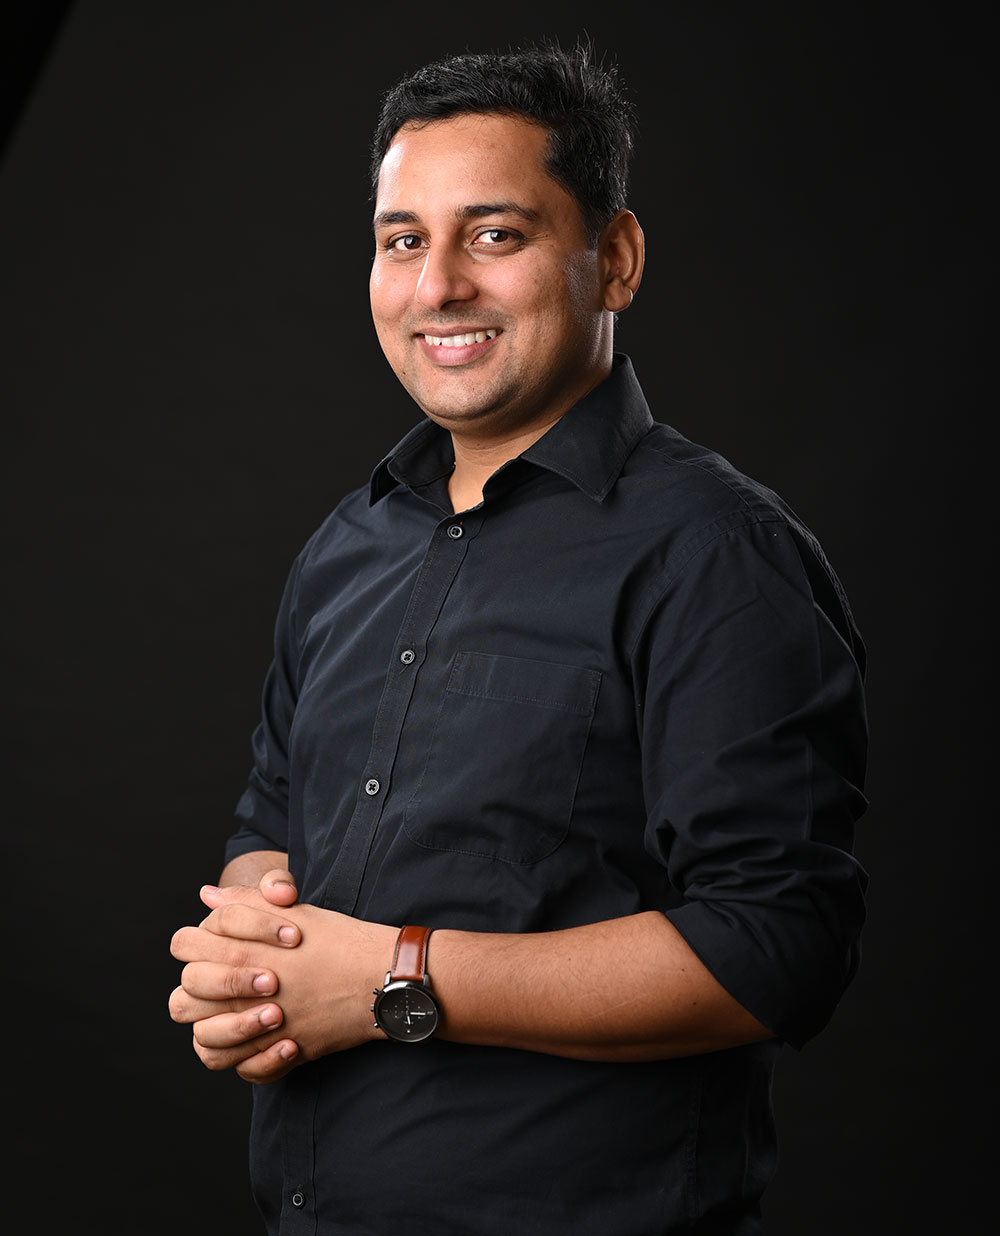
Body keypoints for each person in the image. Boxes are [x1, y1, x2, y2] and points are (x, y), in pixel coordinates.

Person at [169, 40, 868, 1236]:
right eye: (403, 239)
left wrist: (395, 980)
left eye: (494, 235)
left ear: (616, 261)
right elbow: (271, 815)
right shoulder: (349, 545)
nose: (437, 284)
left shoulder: (713, 554)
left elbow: (773, 947)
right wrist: (257, 957)